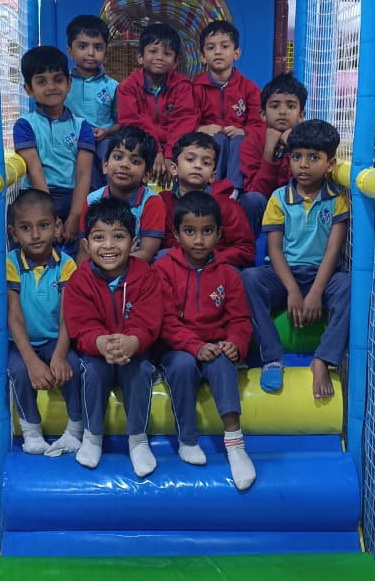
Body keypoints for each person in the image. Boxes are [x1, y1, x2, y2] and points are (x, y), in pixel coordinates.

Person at [155, 193, 256, 491]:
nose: (199, 240)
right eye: (190, 231)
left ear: (219, 234)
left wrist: (235, 342)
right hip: (177, 348)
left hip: (215, 345)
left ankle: (235, 445)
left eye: (207, 231)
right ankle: (187, 440)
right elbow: (165, 321)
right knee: (183, 365)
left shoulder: (228, 275)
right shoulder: (162, 270)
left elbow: (240, 319)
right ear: (176, 235)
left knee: (223, 363)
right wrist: (194, 346)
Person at [243, 119, 350, 400]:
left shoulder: (337, 200)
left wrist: (314, 293)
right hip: (284, 273)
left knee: (349, 286)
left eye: (313, 158)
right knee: (249, 279)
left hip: (322, 275)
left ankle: (323, 359)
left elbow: (333, 251)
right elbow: (275, 250)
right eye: (297, 157)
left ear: (330, 164)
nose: (303, 165)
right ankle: (271, 358)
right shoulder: (278, 198)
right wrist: (292, 289)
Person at [63, 197, 162, 477]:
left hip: (134, 350)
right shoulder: (80, 280)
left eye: (118, 237)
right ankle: (92, 436)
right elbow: (80, 325)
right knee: (92, 371)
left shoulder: (146, 276)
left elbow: (150, 321)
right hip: (98, 352)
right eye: (99, 238)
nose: (108, 245)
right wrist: (100, 342)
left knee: (140, 371)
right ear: (86, 245)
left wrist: (133, 341)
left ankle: (138, 439)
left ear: (133, 243)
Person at [7, 189, 82, 456]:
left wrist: (60, 355)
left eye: (43, 225)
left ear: (57, 227)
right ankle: (31, 430)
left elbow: (68, 314)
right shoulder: (11, 263)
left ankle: (75, 429)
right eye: (26, 228)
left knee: (73, 365)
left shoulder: (66, 265)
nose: (36, 235)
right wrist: (31, 361)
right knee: (17, 370)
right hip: (22, 343)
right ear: (14, 233)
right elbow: (14, 315)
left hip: (54, 339)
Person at [12, 45, 94, 248]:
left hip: (73, 197)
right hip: (38, 195)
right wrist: (51, 217)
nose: (51, 87)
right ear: (29, 89)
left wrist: (74, 217)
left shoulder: (82, 126)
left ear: (69, 83)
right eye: (42, 82)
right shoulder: (25, 125)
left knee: (84, 242)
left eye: (58, 80)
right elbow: (35, 170)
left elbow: (84, 174)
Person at [117, 21, 198, 186]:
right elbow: (133, 121)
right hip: (143, 142)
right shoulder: (128, 86)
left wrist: (169, 155)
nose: (160, 57)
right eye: (153, 51)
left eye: (167, 53)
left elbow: (183, 122)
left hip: (174, 143)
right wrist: (156, 150)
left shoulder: (183, 87)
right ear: (140, 57)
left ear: (176, 62)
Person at [160, 131, 256, 268]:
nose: (198, 165)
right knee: (162, 255)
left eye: (206, 163)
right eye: (190, 159)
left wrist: (210, 258)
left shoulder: (226, 205)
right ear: (174, 169)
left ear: (212, 176)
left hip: (218, 265)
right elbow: (166, 239)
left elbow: (245, 248)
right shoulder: (164, 202)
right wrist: (190, 254)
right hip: (179, 264)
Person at [77, 126, 165, 263]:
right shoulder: (92, 200)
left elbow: (146, 253)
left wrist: (112, 266)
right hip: (98, 266)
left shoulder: (152, 202)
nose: (124, 165)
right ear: (105, 165)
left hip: (135, 267)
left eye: (135, 161)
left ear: (146, 174)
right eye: (118, 157)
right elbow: (84, 252)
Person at [193, 19, 262, 193]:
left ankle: (234, 191)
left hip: (239, 145)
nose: (218, 52)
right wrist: (201, 129)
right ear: (202, 57)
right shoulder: (195, 88)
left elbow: (260, 123)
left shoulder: (249, 88)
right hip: (209, 143)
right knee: (218, 140)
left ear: (236, 53)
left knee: (239, 140)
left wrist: (244, 131)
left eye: (224, 46)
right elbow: (186, 120)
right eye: (211, 48)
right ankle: (210, 189)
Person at [239, 73, 308, 237]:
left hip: (295, 208)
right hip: (264, 205)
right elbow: (255, 191)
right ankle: (247, 247)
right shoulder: (252, 141)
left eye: (290, 106)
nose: (282, 112)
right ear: (263, 115)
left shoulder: (306, 141)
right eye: (275, 106)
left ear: (301, 116)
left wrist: (293, 149)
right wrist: (269, 152)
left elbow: (305, 186)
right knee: (250, 200)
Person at [65, 13, 118, 189]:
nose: (90, 53)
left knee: (112, 160)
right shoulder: (62, 84)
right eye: (82, 46)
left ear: (106, 51)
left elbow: (122, 123)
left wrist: (106, 131)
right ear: (70, 51)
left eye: (98, 47)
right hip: (70, 143)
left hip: (103, 143)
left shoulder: (113, 87)